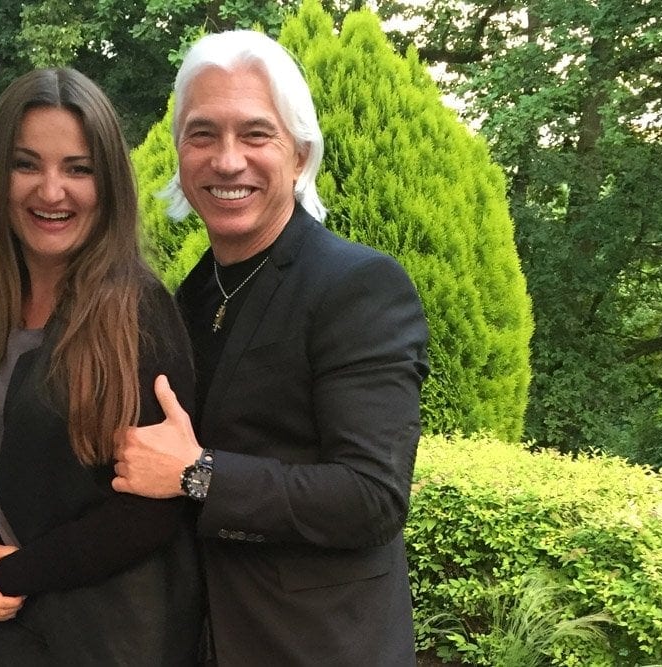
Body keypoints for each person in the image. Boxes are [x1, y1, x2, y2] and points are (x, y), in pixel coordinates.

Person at [112, 30, 430, 666]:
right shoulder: (192, 294)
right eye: (203, 134)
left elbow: (372, 497)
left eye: (256, 134)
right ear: (180, 153)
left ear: (300, 154)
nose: (228, 160)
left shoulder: (358, 286)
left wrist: (197, 474)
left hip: (321, 648)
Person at [0, 67, 202, 665]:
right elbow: (4, 478)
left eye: (78, 168)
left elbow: (150, 511)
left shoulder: (138, 312)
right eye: (26, 164)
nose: (51, 191)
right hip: (21, 634)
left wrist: (12, 572)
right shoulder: (1, 312)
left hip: (117, 640)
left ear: (107, 183)